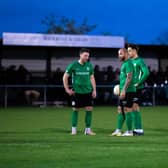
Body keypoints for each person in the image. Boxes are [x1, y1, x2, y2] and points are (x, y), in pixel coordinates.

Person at [63, 48, 96, 135]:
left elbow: (92, 78)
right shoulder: (73, 65)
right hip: (77, 92)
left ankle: (88, 130)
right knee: (75, 110)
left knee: (89, 109)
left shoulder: (89, 65)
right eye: (85, 55)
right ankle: (74, 130)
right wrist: (67, 89)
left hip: (88, 92)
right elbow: (65, 77)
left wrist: (94, 90)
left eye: (88, 56)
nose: (87, 57)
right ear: (80, 55)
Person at [111, 48, 136, 136]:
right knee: (120, 110)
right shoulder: (124, 64)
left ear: (126, 54)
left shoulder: (128, 63)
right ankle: (118, 130)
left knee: (127, 109)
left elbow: (129, 78)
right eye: (118, 54)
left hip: (128, 91)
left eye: (121, 54)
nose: (119, 56)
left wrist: (124, 90)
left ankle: (129, 132)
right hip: (123, 91)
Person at [127, 44, 149, 135]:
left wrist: (139, 83)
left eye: (129, 51)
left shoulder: (140, 61)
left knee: (135, 106)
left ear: (135, 51)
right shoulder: (129, 62)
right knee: (131, 108)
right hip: (130, 88)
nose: (128, 53)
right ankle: (136, 129)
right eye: (127, 51)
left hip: (137, 88)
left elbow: (146, 73)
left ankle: (139, 130)